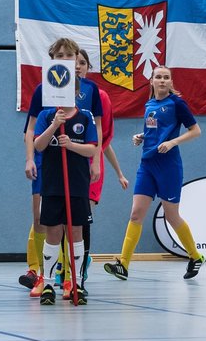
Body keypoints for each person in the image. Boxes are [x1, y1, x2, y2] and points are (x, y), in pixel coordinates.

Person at [103, 66, 205, 281]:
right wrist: (142, 136)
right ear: (151, 81)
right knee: (136, 214)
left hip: (168, 167)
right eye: (158, 77)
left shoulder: (177, 103)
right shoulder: (149, 104)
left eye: (166, 77)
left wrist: (172, 142)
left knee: (172, 216)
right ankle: (123, 264)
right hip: (147, 165)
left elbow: (195, 131)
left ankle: (195, 256)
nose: (162, 80)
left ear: (170, 82)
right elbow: (155, 129)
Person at [21, 38, 103, 298]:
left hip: (77, 163)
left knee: (76, 224)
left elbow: (96, 130)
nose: (65, 59)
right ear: (52, 57)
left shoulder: (88, 90)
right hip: (48, 162)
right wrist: (30, 158)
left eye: (70, 55)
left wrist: (96, 161)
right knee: (44, 220)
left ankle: (70, 278)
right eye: (60, 55)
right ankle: (39, 274)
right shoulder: (41, 90)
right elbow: (31, 129)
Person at [33, 100, 98, 305]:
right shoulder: (46, 116)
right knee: (53, 232)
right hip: (52, 183)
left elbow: (91, 150)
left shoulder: (85, 116)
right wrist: (54, 125)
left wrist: (70, 145)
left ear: (76, 92)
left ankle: (77, 282)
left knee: (76, 232)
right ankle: (49, 284)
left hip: (77, 183)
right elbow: (38, 145)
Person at [79, 47, 128, 291]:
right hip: (64, 163)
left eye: (81, 62)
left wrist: (115, 170)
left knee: (83, 218)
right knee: (60, 221)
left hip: (90, 165)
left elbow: (103, 139)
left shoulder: (100, 96)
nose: (76, 66)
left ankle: (80, 267)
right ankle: (62, 268)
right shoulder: (55, 95)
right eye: (72, 61)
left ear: (89, 67)